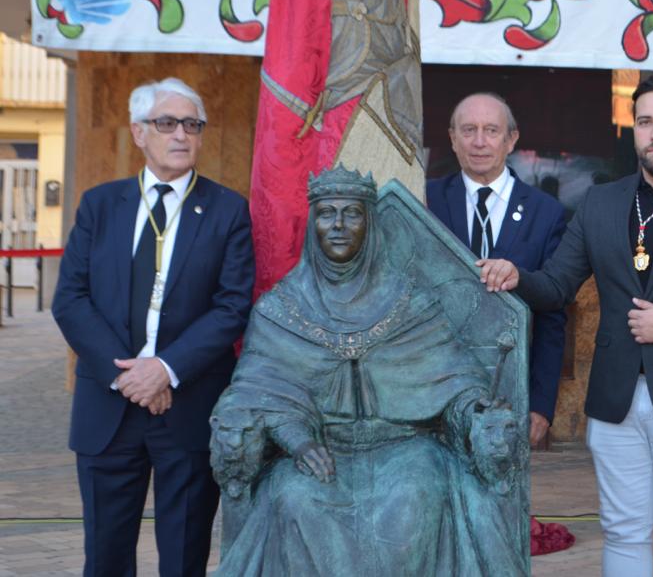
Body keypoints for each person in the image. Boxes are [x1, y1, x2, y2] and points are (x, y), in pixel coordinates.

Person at [480, 75, 653, 577]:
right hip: (615, 399)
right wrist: (516, 275)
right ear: (632, 130)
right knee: (622, 530)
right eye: (646, 122)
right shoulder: (601, 202)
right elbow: (556, 287)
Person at [210, 165, 527, 576]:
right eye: (327, 213)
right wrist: (298, 442)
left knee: (417, 497)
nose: (338, 225)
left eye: (352, 214)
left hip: (405, 447)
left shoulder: (410, 302)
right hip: (319, 449)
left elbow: (456, 381)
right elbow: (253, 392)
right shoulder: (280, 309)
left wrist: (477, 410)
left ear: (370, 224)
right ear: (313, 224)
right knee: (292, 496)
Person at [52, 78, 255, 576]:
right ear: (140, 133)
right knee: (105, 557)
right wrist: (130, 376)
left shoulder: (228, 210)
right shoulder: (100, 205)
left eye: (192, 124)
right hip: (108, 405)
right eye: (167, 123)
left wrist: (165, 369)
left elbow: (232, 306)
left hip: (186, 408)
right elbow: (70, 301)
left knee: (185, 558)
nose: (181, 134)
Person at [427, 92, 567, 446]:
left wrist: (541, 404)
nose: (479, 142)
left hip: (512, 394)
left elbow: (553, 317)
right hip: (436, 393)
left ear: (512, 139)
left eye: (491, 130)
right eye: (468, 129)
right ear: (452, 138)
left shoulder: (546, 213)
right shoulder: (425, 201)